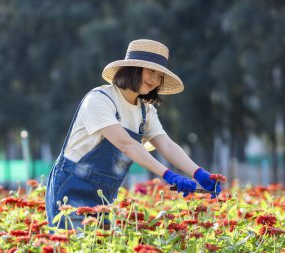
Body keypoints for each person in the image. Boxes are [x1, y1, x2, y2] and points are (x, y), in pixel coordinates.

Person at [45, 39, 222, 229]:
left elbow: (167, 145)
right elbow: (126, 144)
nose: (155, 79)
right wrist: (169, 175)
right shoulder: (99, 99)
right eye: (150, 71)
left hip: (104, 195)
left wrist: (199, 173)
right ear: (133, 69)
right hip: (71, 187)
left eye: (160, 75)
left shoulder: (146, 111)